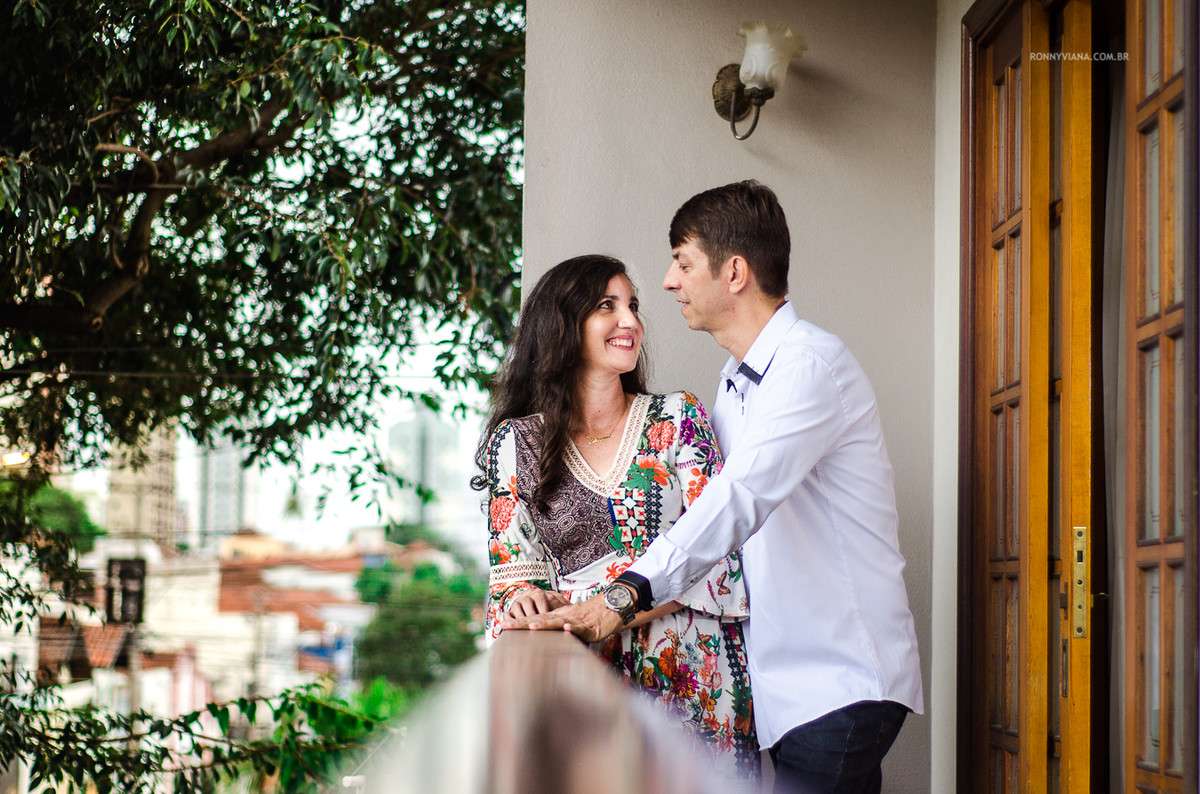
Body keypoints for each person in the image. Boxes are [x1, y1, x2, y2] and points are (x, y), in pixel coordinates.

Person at [500, 182, 924, 794]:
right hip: (787, 689)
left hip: (836, 681)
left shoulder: (807, 366)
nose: (670, 282)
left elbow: (734, 501)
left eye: (682, 262)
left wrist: (618, 597)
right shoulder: (734, 385)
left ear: (734, 273)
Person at [474, 254, 759, 780]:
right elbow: (511, 578)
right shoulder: (517, 444)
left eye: (632, 306)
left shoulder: (678, 419)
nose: (630, 321)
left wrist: (607, 608)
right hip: (583, 684)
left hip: (693, 676)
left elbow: (719, 559)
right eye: (607, 306)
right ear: (563, 324)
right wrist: (526, 600)